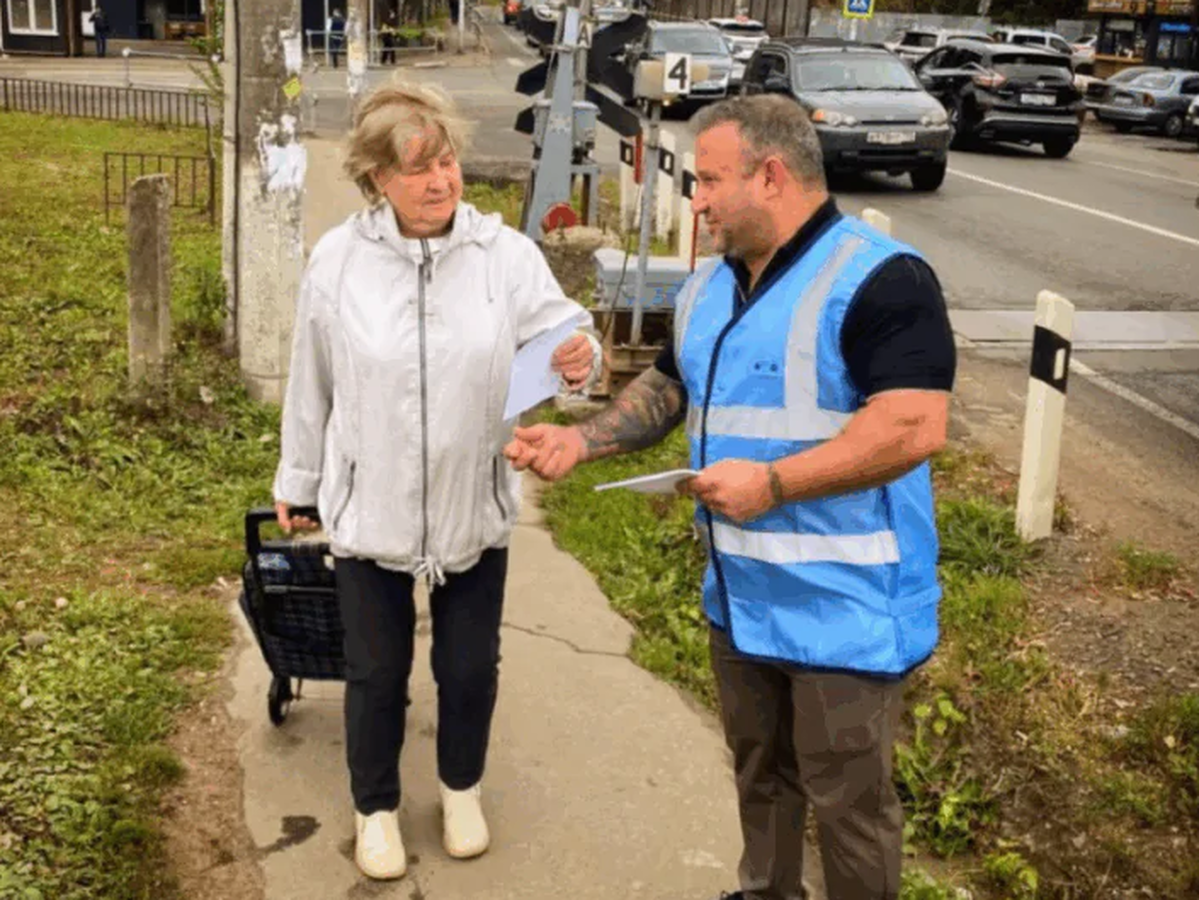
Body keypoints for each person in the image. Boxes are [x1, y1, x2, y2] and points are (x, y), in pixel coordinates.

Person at [504, 94, 956, 900]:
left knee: (849, 807)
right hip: (741, 597)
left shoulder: (880, 279)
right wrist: (580, 440)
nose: (697, 199)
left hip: (846, 609)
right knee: (761, 778)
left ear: (771, 175)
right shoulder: (708, 286)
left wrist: (775, 483)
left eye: (710, 181)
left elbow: (913, 426)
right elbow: (670, 386)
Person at [272, 79, 602, 882]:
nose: (439, 182)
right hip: (372, 506)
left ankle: (460, 790)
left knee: (466, 668)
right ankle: (375, 807)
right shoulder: (339, 262)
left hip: (471, 505)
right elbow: (309, 379)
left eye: (445, 162)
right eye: (416, 169)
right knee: (375, 672)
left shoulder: (505, 258)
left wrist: (577, 362)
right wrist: (300, 476)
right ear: (376, 180)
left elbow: (567, 342)